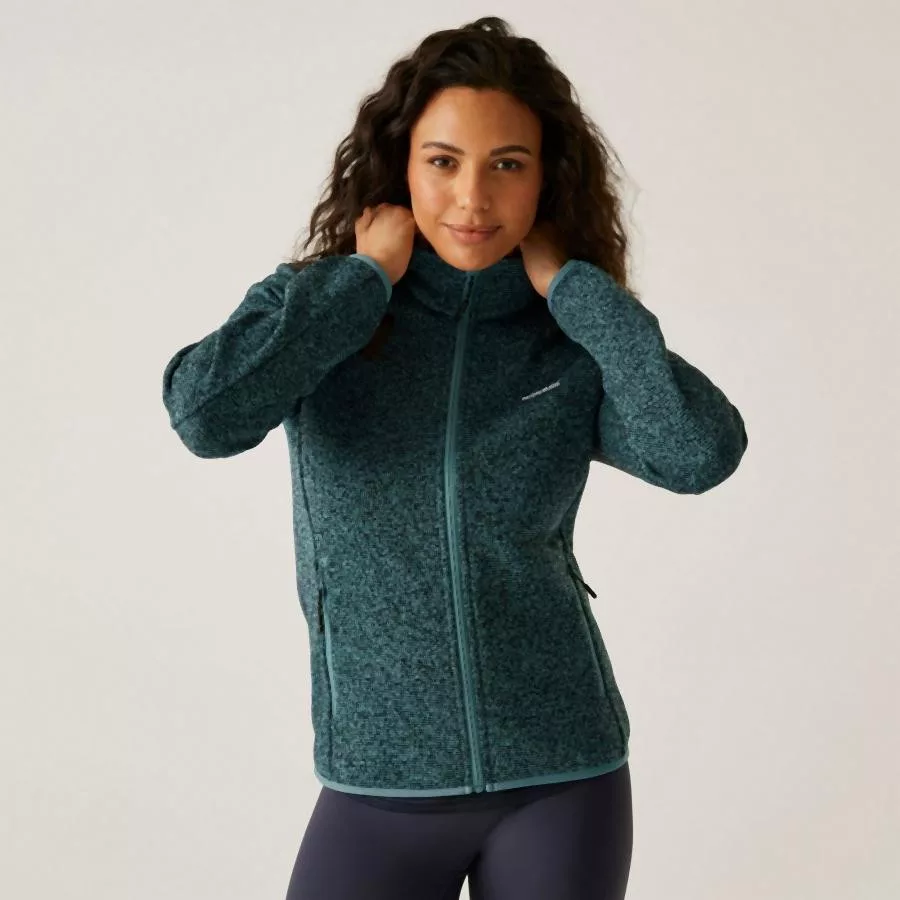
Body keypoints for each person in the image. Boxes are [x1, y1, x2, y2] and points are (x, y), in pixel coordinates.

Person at [161, 16, 748, 900]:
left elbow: (699, 452)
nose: (473, 199)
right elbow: (205, 416)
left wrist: (580, 293)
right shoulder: (323, 316)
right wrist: (360, 282)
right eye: (443, 161)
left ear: (545, 177)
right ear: (401, 169)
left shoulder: (566, 339)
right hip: (378, 781)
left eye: (507, 164)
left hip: (562, 774)